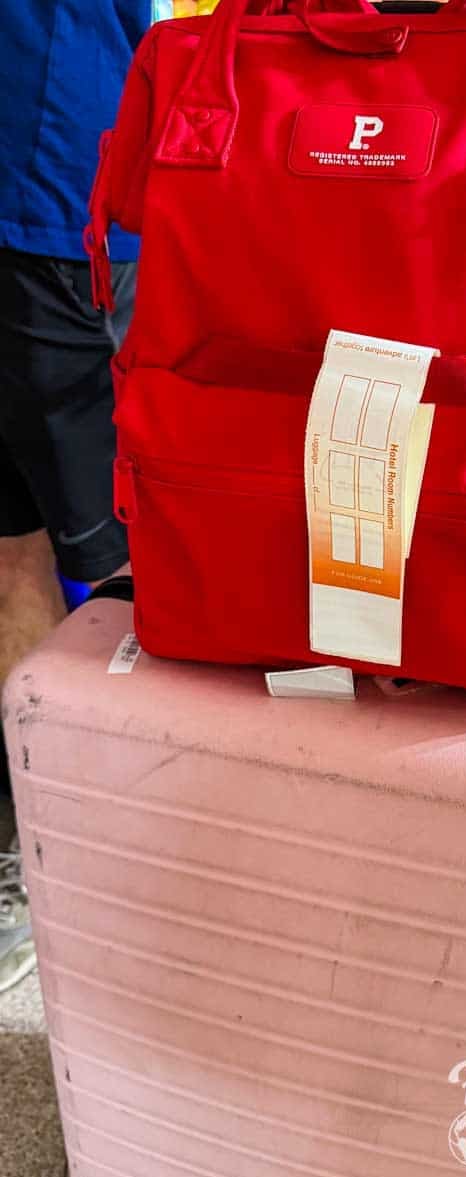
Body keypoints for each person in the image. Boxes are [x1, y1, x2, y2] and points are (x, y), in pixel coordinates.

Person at [0, 2, 153, 991]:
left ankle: (137, 861)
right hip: (35, 187)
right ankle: (38, 842)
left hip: (66, 205)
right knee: (9, 541)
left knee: (119, 570)